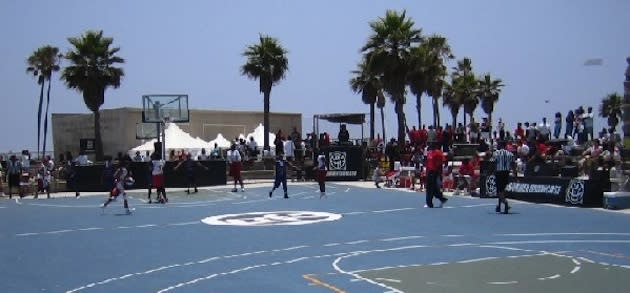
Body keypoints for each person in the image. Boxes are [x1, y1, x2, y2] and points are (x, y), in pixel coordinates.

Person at [492, 141, 516, 214]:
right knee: (502, 189)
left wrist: (492, 171)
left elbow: (494, 163)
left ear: (500, 145)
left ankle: (505, 203)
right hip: (506, 173)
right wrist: (515, 173)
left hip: (499, 172)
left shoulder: (496, 153)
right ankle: (499, 205)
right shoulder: (510, 154)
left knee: (499, 190)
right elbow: (513, 164)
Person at [425, 144, 448, 208]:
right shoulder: (429, 153)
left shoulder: (438, 153)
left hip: (434, 172)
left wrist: (439, 173)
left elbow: (441, 163)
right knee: (432, 188)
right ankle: (442, 199)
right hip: (429, 172)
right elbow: (427, 163)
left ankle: (429, 203)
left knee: (430, 188)